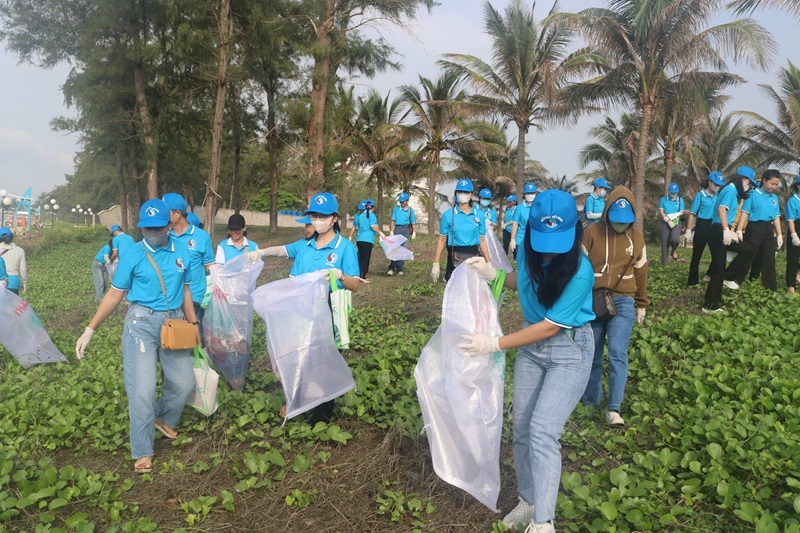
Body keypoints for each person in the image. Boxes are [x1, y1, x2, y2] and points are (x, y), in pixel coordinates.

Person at [458, 190, 595, 533]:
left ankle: (544, 522)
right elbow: (528, 282)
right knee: (521, 428)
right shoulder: (529, 255)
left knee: (543, 430)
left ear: (575, 230)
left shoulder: (581, 271)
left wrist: (494, 343)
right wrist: (496, 275)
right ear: (530, 229)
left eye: (559, 239)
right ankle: (529, 500)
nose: (550, 247)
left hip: (568, 349)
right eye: (543, 238)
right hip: (531, 350)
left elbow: (549, 327)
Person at [75, 199, 201, 474]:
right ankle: (143, 450)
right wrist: (90, 328)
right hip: (140, 324)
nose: (152, 233)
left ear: (170, 224)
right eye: (147, 228)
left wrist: (194, 324)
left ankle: (163, 417)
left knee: (183, 382)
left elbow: (188, 290)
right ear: (140, 228)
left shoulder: (182, 250)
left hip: (175, 321)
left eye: (158, 227)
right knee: (142, 390)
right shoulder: (132, 253)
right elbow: (114, 293)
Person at [249, 192, 364, 424]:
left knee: (324, 363)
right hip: (299, 313)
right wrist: (261, 252)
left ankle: (320, 420)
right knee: (299, 359)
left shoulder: (344, 248)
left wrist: (339, 274)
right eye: (313, 215)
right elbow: (283, 250)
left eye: (322, 216)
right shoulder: (305, 246)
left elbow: (354, 285)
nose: (317, 220)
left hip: (326, 312)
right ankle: (300, 401)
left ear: (334, 218)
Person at [580, 187, 648, 426]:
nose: (621, 225)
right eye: (616, 220)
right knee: (594, 354)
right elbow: (579, 269)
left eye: (625, 221)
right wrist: (577, 301)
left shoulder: (636, 237)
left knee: (618, 353)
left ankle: (613, 409)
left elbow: (641, 271)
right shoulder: (591, 232)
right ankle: (590, 401)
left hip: (624, 300)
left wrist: (642, 303)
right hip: (594, 299)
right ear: (607, 212)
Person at [702, 167, 758, 313]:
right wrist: (726, 230)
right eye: (748, 182)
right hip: (718, 230)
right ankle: (710, 305)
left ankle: (729, 276)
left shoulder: (732, 191)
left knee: (749, 249)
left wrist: (735, 231)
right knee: (718, 269)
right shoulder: (731, 190)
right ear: (741, 179)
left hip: (724, 229)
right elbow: (721, 209)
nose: (748, 186)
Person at [163, 193, 215, 343]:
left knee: (196, 337)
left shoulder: (201, 236)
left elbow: (209, 264)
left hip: (194, 296)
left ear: (177, 213)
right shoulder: (164, 236)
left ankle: (201, 364)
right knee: (173, 338)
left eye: (166, 212)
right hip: (170, 297)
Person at [725, 169, 783, 291]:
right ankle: (733, 279)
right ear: (764, 180)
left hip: (768, 229)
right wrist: (739, 230)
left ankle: (771, 289)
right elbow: (744, 213)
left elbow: (777, 216)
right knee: (749, 254)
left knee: (769, 260)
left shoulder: (774, 198)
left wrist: (779, 234)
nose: (774, 186)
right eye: (772, 183)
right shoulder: (752, 194)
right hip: (754, 228)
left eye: (776, 184)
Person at [431, 179, 490, 282]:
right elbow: (441, 240)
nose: (462, 194)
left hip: (474, 255)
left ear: (471, 195)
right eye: (460, 192)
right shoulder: (448, 215)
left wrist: (488, 262)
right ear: (456, 194)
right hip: (455, 256)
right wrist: (436, 263)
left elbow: (482, 240)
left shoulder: (479, 214)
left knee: (473, 286)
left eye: (466, 192)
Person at [685, 172, 725, 286]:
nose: (717, 186)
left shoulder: (718, 196)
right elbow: (692, 213)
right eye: (715, 183)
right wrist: (688, 230)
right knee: (696, 255)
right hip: (702, 226)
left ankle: (710, 276)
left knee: (717, 255)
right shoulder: (700, 195)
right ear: (709, 182)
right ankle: (692, 282)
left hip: (714, 226)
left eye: (719, 184)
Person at [350, 198, 385, 278]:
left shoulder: (360, 216)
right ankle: (363, 275)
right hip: (368, 240)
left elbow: (357, 228)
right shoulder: (372, 215)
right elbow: (373, 226)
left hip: (359, 239)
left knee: (360, 257)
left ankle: (357, 274)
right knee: (366, 258)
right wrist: (380, 233)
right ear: (373, 207)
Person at [658, 183, 686, 264]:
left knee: (674, 239)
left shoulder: (680, 200)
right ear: (669, 192)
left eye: (675, 193)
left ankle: (673, 250)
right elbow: (661, 211)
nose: (673, 194)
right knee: (664, 242)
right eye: (672, 192)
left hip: (676, 222)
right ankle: (664, 263)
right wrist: (666, 219)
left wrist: (674, 216)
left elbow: (681, 212)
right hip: (665, 222)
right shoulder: (663, 199)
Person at [388, 192, 415, 276]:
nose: (402, 203)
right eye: (400, 202)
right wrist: (391, 230)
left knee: (403, 249)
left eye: (403, 201)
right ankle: (392, 268)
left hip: (406, 229)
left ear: (407, 201)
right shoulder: (396, 209)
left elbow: (413, 222)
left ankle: (400, 269)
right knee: (395, 249)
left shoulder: (411, 210)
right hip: (397, 228)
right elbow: (393, 220)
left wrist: (414, 231)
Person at [509, 182, 538, 257]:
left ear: (535, 193)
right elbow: (515, 223)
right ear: (524, 194)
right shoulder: (520, 207)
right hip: (521, 238)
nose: (530, 195)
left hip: (535, 238)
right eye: (528, 193)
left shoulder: (539, 207)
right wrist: (512, 239)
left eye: (532, 193)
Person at [0, 228, 27, 295]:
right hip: (13, 283)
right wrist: (24, 282)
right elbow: (23, 269)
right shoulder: (20, 250)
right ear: (12, 236)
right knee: (11, 305)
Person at [785, 176, 800, 294]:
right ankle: (790, 285)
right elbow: (790, 219)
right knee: (793, 258)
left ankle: (798, 274)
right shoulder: (793, 201)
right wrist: (794, 234)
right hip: (796, 228)